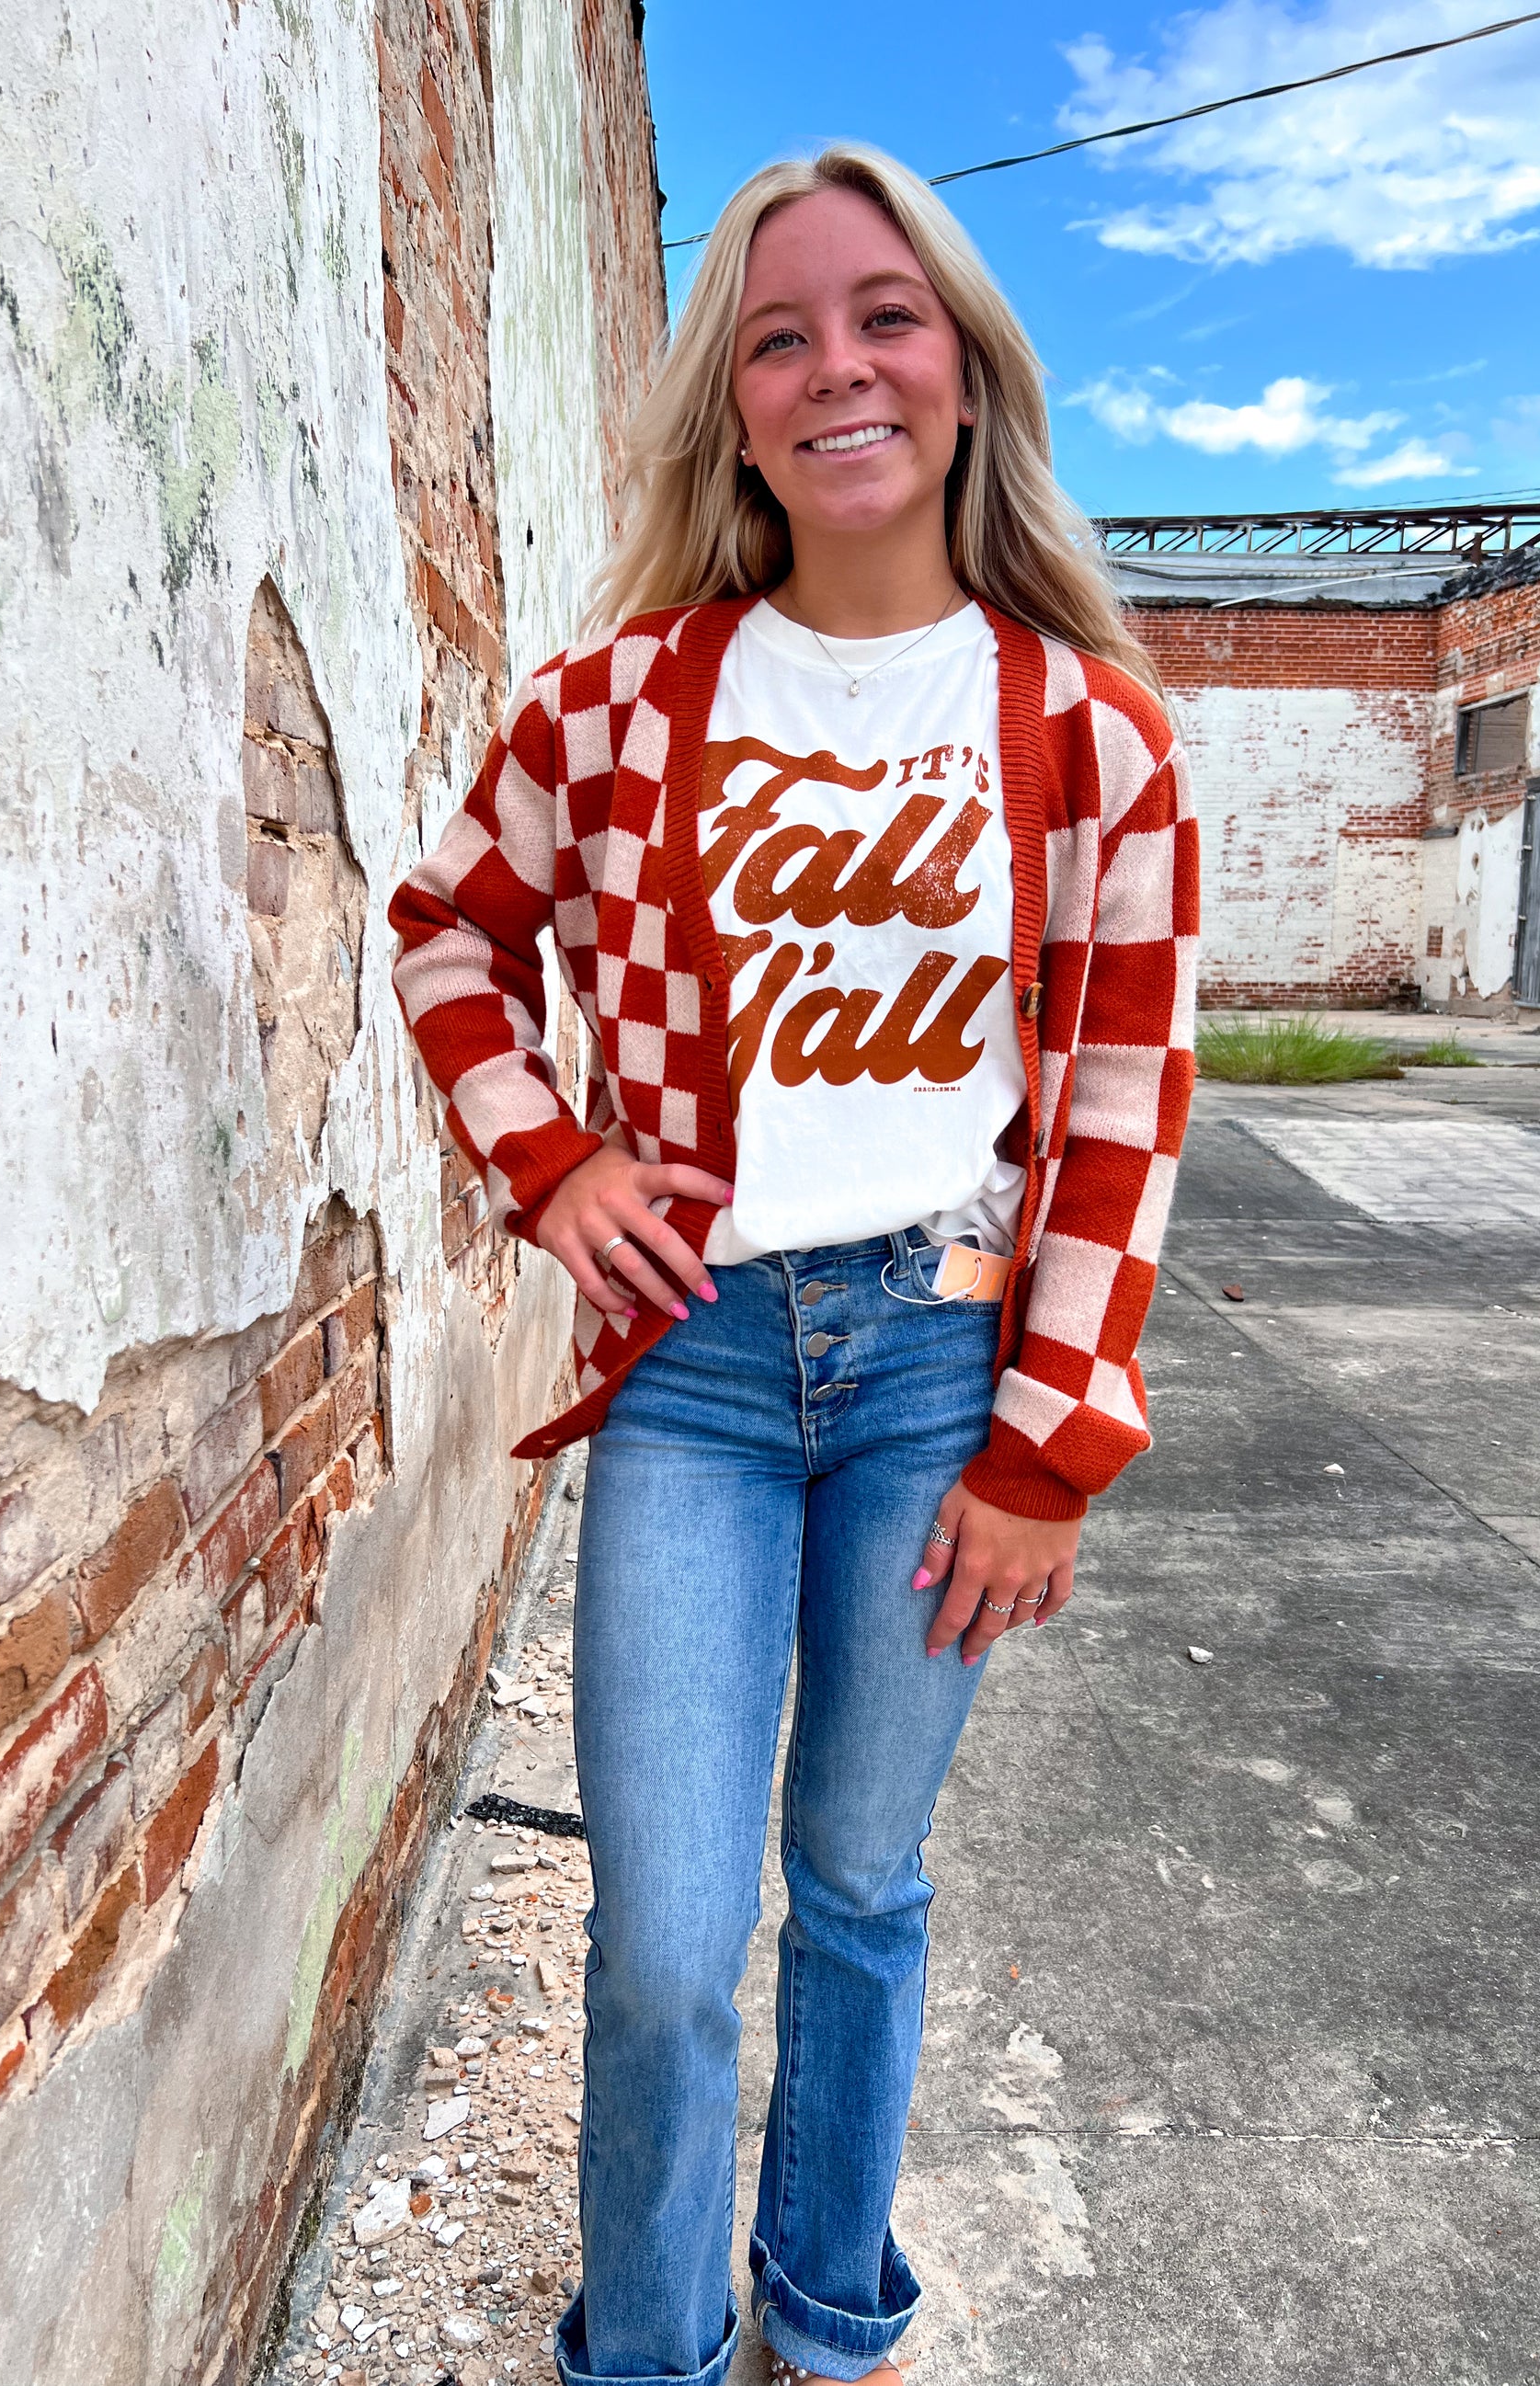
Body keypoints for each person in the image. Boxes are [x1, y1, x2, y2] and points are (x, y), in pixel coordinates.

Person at [389, 142, 1197, 2386]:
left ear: (963, 369)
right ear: (731, 406)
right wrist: (548, 1161)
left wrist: (1052, 1448)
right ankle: (639, 2349)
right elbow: (450, 925)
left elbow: (1126, 1103)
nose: (835, 365)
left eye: (883, 317)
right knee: (662, 1932)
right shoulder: (618, 703)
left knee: (855, 1881)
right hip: (697, 1370)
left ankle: (828, 2317)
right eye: (777, 335)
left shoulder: (1090, 739)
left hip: (944, 1363)